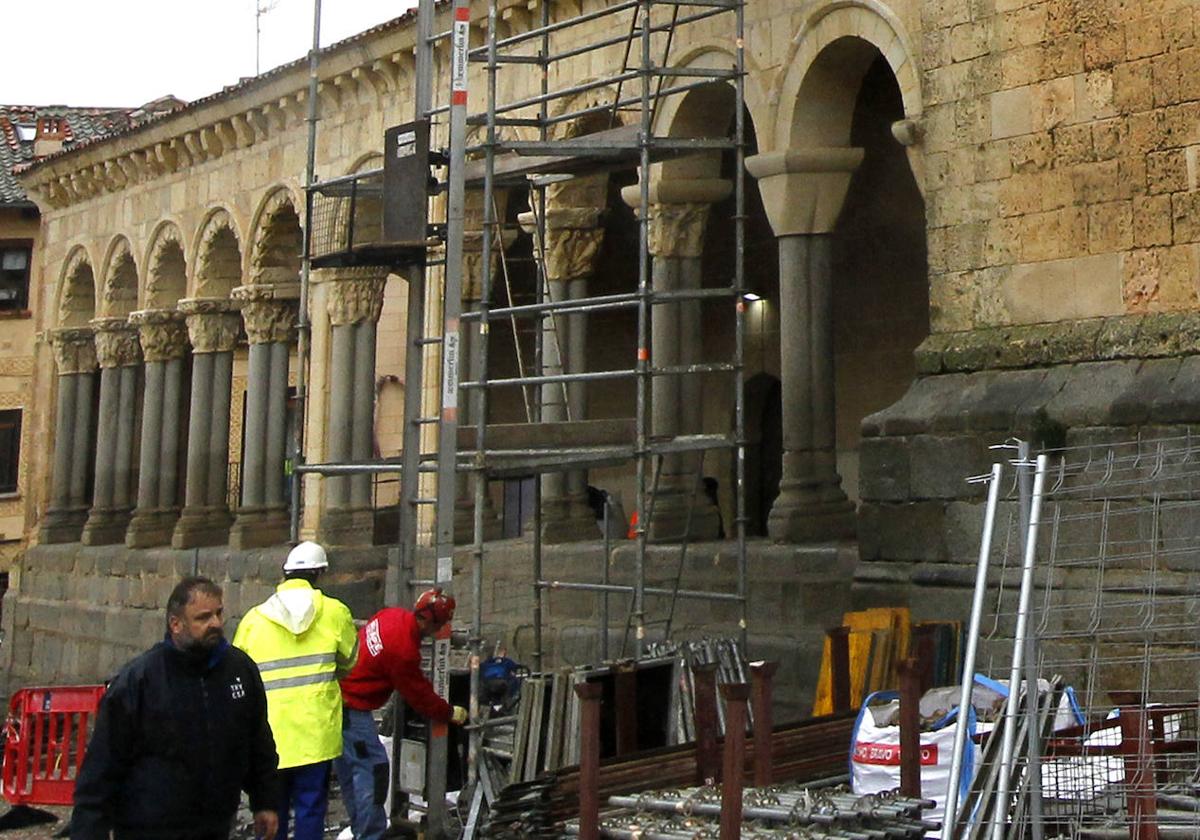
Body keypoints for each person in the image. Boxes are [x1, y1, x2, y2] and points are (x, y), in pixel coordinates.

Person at [71, 577, 280, 840]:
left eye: (218, 613)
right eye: (203, 618)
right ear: (176, 624)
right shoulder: (140, 681)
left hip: (214, 826)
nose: (215, 623)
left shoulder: (239, 670)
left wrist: (266, 801)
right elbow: (102, 767)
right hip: (149, 828)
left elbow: (257, 741)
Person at [233, 542, 359, 840]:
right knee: (311, 808)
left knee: (271, 811)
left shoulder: (254, 619)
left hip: (269, 737)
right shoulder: (334, 612)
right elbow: (350, 661)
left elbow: (238, 673)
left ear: (286, 574)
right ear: (318, 575)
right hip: (316, 733)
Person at [335, 589, 468, 840]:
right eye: (439, 625)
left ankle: (360, 827)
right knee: (373, 770)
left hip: (339, 701)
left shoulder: (392, 615)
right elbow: (418, 694)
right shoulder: (403, 649)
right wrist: (448, 711)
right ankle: (370, 834)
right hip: (353, 706)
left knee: (351, 770)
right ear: (430, 622)